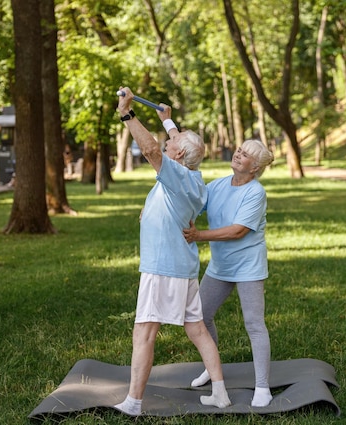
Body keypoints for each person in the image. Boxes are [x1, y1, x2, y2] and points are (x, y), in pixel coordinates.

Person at [113, 87, 230, 416]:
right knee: (196, 328)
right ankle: (220, 392)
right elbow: (176, 145)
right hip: (182, 265)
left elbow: (151, 149)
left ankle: (134, 403)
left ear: (178, 156)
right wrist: (168, 122)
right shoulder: (194, 177)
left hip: (162, 266)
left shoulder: (176, 174)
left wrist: (127, 113)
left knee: (144, 330)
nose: (169, 143)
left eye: (173, 144)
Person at [183, 139, 275, 407]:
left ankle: (262, 387)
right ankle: (212, 369)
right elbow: (193, 205)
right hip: (220, 267)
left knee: (255, 325)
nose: (238, 154)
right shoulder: (219, 185)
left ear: (255, 167)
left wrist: (198, 235)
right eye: (239, 150)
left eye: (245, 155)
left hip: (248, 268)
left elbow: (238, 231)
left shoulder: (255, 193)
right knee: (200, 315)